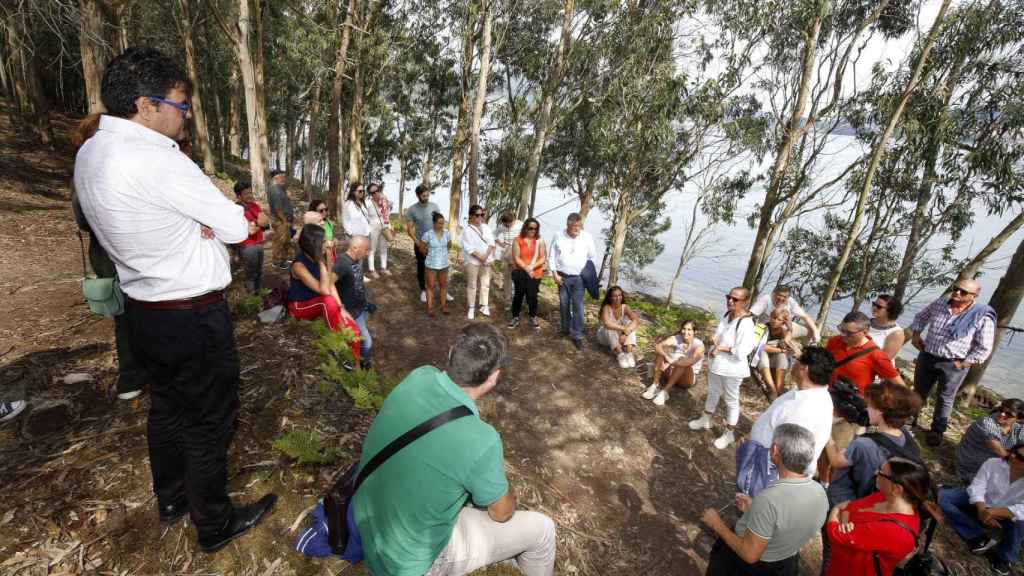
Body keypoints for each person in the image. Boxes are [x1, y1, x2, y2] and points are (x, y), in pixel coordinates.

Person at [73, 47, 276, 551]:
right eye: (181, 105)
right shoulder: (160, 160)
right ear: (146, 106)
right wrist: (213, 215)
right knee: (208, 420)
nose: (185, 117)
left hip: (143, 309)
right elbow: (235, 224)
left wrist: (198, 224)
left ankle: (170, 497)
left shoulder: (90, 152)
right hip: (193, 315)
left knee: (166, 409)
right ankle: (214, 524)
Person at [353, 323, 556, 576]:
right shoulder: (481, 439)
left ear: (450, 352)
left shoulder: (419, 376)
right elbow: (501, 513)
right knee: (543, 530)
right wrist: (508, 495)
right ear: (493, 377)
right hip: (410, 563)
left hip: (368, 528)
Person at [70, 113, 146, 401]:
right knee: (130, 316)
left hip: (112, 254)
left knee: (129, 317)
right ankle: (132, 376)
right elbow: (84, 218)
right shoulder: (91, 168)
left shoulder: (87, 168)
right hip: (118, 255)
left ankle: (134, 376)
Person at [701, 423, 828, 576]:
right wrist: (754, 510)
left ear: (775, 451)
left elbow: (749, 555)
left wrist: (717, 524)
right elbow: (786, 524)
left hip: (746, 567)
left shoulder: (770, 499)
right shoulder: (820, 492)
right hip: (785, 565)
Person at [910, 278, 997, 447]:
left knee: (945, 398)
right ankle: (909, 419)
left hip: (953, 364)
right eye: (956, 288)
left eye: (963, 292)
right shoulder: (940, 303)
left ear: (974, 296)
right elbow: (920, 317)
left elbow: (984, 347)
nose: (957, 292)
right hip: (928, 356)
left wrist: (964, 364)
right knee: (919, 391)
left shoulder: (981, 315)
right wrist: (916, 334)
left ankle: (937, 431)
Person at [738, 346, 835, 496]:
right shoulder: (805, 393)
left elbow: (787, 456)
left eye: (797, 360)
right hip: (765, 465)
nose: (793, 363)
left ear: (805, 368)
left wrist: (753, 448)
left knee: (756, 512)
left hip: (770, 476)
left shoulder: (805, 409)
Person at [825, 457, 943, 576]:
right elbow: (849, 508)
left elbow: (834, 533)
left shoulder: (895, 532)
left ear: (897, 489)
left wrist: (835, 510)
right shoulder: (883, 497)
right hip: (840, 566)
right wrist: (844, 518)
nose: (876, 473)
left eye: (881, 472)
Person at [824, 381, 923, 507]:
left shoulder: (864, 444)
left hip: (850, 503)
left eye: (870, 405)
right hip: (882, 503)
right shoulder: (908, 438)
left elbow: (835, 461)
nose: (866, 408)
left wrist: (826, 433)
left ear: (880, 411)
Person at [824, 311, 905, 459]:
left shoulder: (876, 356)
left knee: (838, 453)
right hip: (826, 402)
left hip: (849, 412)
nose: (844, 336)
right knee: (822, 448)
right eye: (842, 330)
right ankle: (824, 482)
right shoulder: (835, 341)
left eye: (850, 333)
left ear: (865, 331)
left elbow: (899, 385)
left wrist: (881, 406)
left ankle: (833, 481)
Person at [939, 443, 1024, 576]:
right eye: (1014, 452)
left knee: (1021, 521)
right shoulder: (994, 463)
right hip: (981, 503)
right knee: (942, 497)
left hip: (1005, 513)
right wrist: (982, 509)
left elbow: (1022, 509)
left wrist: (992, 512)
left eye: (1020, 457)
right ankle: (977, 536)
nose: (1013, 456)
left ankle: (1005, 557)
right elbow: (977, 486)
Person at [690, 287, 758, 450]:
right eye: (729, 297)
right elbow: (720, 336)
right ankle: (705, 418)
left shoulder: (746, 323)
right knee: (713, 391)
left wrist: (722, 348)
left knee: (731, 400)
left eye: (735, 299)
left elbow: (742, 351)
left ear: (746, 302)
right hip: (717, 364)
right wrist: (716, 342)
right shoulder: (727, 314)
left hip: (733, 369)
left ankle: (729, 433)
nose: (730, 301)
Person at [287, 224, 362, 366]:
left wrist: (341, 308)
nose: (327, 244)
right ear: (313, 244)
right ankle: (339, 342)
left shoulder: (316, 258)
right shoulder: (299, 265)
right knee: (326, 300)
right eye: (323, 241)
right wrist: (323, 261)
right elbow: (324, 291)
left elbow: (330, 284)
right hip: (300, 307)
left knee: (355, 331)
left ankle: (356, 367)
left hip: (319, 301)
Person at [549, 213, 597, 351]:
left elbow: (592, 256)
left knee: (578, 306)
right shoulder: (558, 235)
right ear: (568, 225)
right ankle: (564, 329)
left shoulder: (586, 236)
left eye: (579, 226)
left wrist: (586, 273)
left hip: (579, 278)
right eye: (574, 226)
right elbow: (552, 255)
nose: (577, 229)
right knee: (564, 304)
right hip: (562, 276)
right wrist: (554, 274)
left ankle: (577, 335)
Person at [956, 399, 1024, 486]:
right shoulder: (987, 423)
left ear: (1019, 419)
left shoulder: (1017, 429)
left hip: (992, 465)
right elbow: (1001, 452)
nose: (1002, 414)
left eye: (1009, 414)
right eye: (1001, 410)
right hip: (971, 466)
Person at [333, 235, 373, 369]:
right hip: (351, 311)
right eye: (366, 250)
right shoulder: (342, 264)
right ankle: (361, 364)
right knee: (366, 342)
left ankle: (358, 361)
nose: (367, 253)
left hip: (360, 306)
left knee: (360, 337)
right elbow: (328, 284)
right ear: (355, 248)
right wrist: (340, 306)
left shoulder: (356, 260)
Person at [643, 319, 705, 406]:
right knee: (661, 353)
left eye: (689, 330)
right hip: (672, 373)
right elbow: (658, 347)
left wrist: (670, 362)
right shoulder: (677, 338)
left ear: (695, 332)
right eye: (684, 329)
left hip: (687, 378)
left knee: (683, 361)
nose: (685, 332)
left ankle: (665, 392)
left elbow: (690, 362)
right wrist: (666, 357)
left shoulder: (699, 345)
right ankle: (655, 385)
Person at [406, 184, 448, 304]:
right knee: (422, 267)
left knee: (440, 266)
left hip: (436, 243)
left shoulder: (434, 206)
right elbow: (409, 229)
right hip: (421, 243)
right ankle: (423, 290)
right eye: (424, 195)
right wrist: (417, 242)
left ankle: (443, 289)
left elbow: (439, 224)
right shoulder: (412, 210)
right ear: (418, 195)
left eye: (428, 195)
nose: (426, 197)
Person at [508, 217, 546, 330]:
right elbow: (516, 257)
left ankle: (533, 316)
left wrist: (531, 267)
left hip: (535, 273)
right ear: (525, 228)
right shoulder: (517, 240)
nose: (533, 230)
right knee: (518, 295)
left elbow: (543, 257)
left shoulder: (540, 241)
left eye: (535, 228)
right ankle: (515, 317)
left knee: (532, 296)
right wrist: (526, 268)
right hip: (520, 272)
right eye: (530, 228)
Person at [460, 204, 496, 320]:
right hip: (473, 261)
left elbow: (491, 242)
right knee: (472, 285)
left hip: (486, 260)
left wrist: (486, 256)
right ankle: (471, 307)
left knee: (485, 284)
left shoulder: (486, 227)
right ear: (471, 216)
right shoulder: (467, 231)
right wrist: (481, 257)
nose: (480, 217)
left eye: (482, 215)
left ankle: (484, 305)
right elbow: (468, 248)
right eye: (477, 215)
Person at [749, 285, 821, 343]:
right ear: (773, 294)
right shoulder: (766, 299)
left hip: (785, 328)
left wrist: (816, 332)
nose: (781, 298)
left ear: (788, 297)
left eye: (784, 297)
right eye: (779, 295)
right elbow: (752, 314)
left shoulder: (791, 302)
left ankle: (808, 351)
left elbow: (805, 317)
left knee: (811, 330)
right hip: (766, 329)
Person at [234, 181, 270, 294]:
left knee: (259, 272)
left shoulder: (255, 205)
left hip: (258, 243)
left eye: (250, 192)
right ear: (239, 196)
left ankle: (259, 295)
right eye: (246, 193)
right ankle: (252, 297)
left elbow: (266, 223)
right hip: (247, 246)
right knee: (251, 274)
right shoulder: (236, 209)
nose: (250, 195)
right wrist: (260, 224)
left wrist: (257, 224)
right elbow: (251, 231)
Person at [756, 308, 801, 397]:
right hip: (759, 359)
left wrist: (789, 327)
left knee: (782, 356)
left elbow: (787, 340)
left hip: (773, 360)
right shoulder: (762, 328)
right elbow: (761, 347)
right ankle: (771, 388)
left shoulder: (783, 331)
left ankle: (779, 388)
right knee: (762, 353)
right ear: (770, 317)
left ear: (783, 322)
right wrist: (780, 350)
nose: (775, 321)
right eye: (774, 317)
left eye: (779, 319)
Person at [597, 286, 640, 369]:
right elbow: (606, 324)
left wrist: (625, 334)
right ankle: (620, 355)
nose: (618, 298)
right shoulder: (606, 307)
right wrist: (625, 329)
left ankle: (629, 353)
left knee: (630, 324)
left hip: (618, 337)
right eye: (615, 296)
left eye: (620, 295)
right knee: (610, 327)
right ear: (610, 298)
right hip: (604, 337)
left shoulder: (625, 307)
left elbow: (636, 320)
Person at [417, 212, 451, 317]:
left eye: (443, 223)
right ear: (434, 223)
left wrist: (443, 254)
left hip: (444, 265)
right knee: (430, 286)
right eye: (440, 223)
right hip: (431, 265)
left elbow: (449, 245)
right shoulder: (428, 234)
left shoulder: (447, 233)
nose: (442, 225)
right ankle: (430, 308)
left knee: (443, 285)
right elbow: (421, 247)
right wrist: (427, 253)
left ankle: (444, 306)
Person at [495, 211, 523, 310]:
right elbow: (494, 234)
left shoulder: (521, 225)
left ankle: (518, 301)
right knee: (507, 278)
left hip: (518, 253)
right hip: (506, 252)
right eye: (505, 224)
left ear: (513, 220)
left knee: (517, 278)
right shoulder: (502, 226)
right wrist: (500, 243)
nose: (506, 226)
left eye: (508, 224)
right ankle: (508, 301)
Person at [267, 168, 294, 270]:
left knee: (285, 240)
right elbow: (278, 209)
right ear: (276, 178)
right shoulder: (275, 190)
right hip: (281, 220)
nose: (284, 179)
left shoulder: (279, 188)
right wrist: (284, 220)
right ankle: (277, 262)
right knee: (280, 241)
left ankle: (284, 259)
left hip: (283, 220)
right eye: (282, 177)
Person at [868, 294, 906, 359]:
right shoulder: (866, 321)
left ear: (890, 311)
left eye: (879, 307)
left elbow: (885, 360)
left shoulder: (896, 333)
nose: (874, 307)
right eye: (874, 304)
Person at [367, 182, 392, 277]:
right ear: (370, 194)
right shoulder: (368, 203)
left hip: (384, 225)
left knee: (384, 247)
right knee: (372, 248)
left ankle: (383, 268)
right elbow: (365, 216)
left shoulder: (384, 200)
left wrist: (389, 225)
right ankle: (371, 269)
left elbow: (387, 214)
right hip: (373, 226)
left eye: (377, 191)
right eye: (373, 192)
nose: (376, 193)